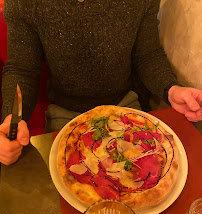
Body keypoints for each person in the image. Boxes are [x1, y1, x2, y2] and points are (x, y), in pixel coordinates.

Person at [0, 0, 202, 166]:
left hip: (124, 106)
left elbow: (147, 55)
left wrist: (171, 88)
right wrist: (12, 119)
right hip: (65, 113)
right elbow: (22, 69)